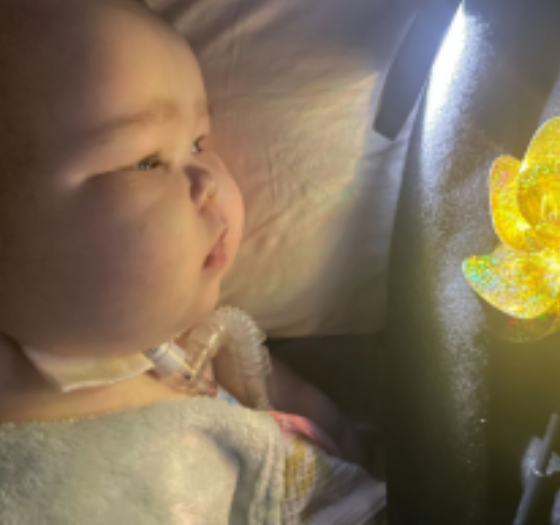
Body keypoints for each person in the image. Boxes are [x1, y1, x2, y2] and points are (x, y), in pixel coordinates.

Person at [0, 0, 384, 522]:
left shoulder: (192, 348)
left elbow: (297, 415)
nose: (208, 182)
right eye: (144, 161)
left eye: (199, 142)